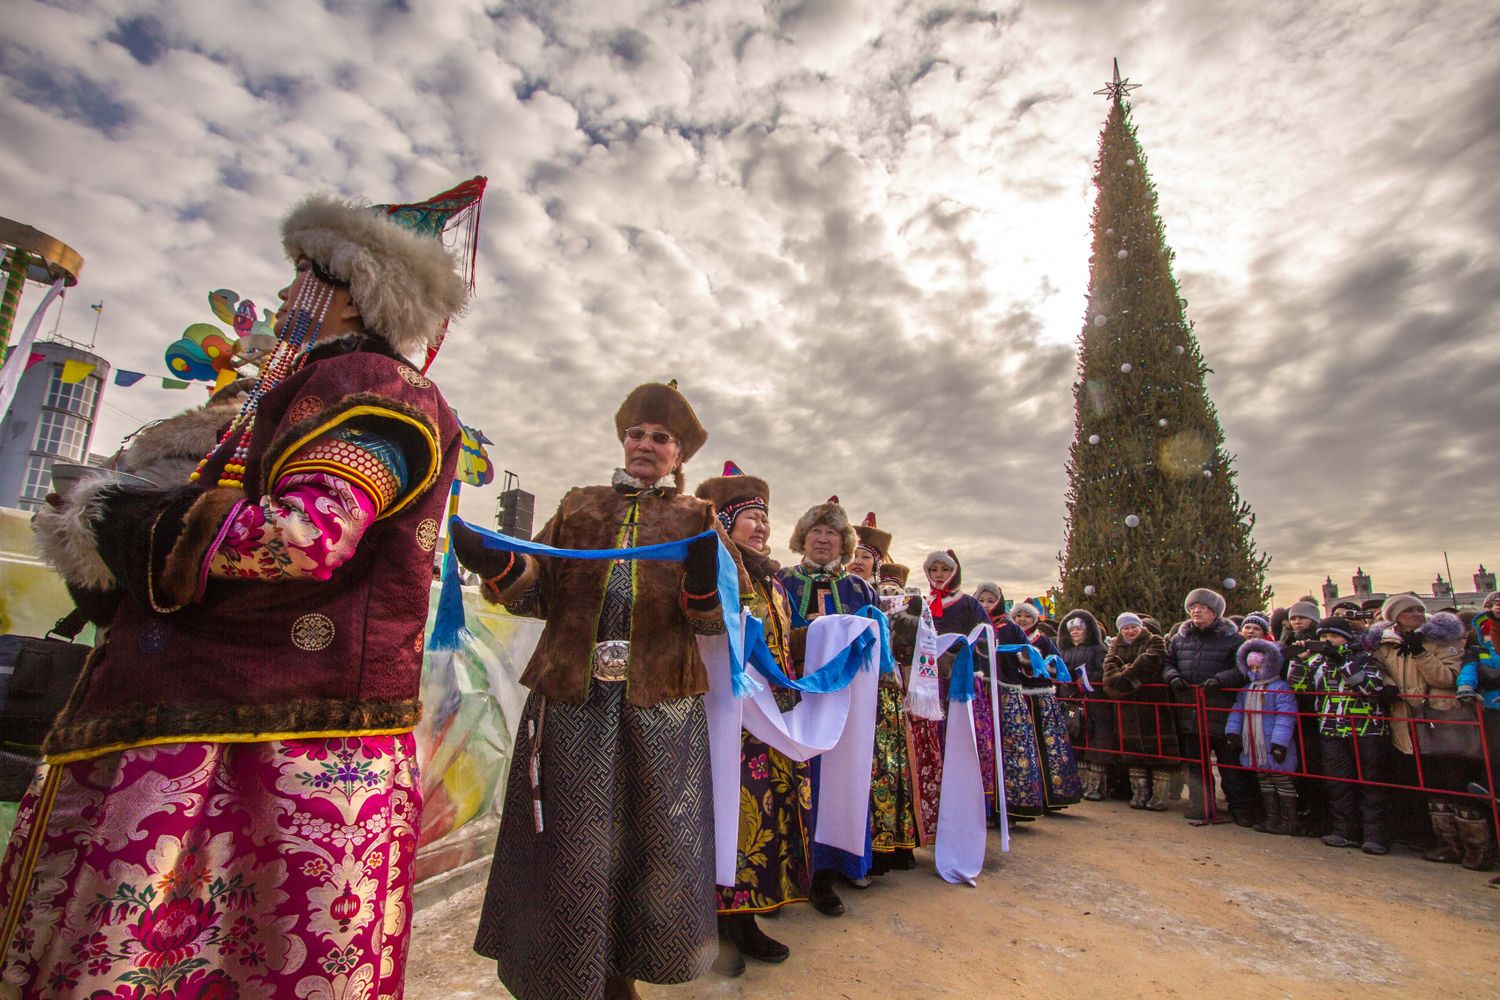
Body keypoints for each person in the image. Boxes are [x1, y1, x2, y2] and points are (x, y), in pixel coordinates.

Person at [6, 180, 478, 997]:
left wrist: (118, 514)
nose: (286, 293)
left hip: (264, 760)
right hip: (214, 729)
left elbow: (304, 536)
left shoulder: (373, 385)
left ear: (349, 295)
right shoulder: (283, 394)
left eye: (304, 273)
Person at [453, 380, 728, 1000]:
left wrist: (707, 588)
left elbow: (714, 626)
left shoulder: (697, 519)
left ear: (679, 455)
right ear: (623, 440)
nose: (646, 444)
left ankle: (622, 974)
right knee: (572, 844)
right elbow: (537, 593)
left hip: (659, 708)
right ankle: (567, 973)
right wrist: (495, 564)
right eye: (637, 433)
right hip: (571, 701)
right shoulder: (579, 506)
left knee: (650, 844)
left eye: (661, 438)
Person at [695, 462, 808, 970]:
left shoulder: (776, 583)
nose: (761, 527)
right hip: (725, 718)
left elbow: (785, 643)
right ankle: (715, 929)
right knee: (724, 818)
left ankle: (746, 921)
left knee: (760, 820)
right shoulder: (715, 569)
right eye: (750, 518)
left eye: (766, 518)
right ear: (724, 521)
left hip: (769, 723)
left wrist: (845, 632)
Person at [777, 497, 876, 915]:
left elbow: (872, 649)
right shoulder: (781, 580)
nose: (822, 539)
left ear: (843, 543)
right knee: (787, 780)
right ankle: (780, 877)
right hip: (792, 695)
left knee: (833, 782)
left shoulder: (858, 589)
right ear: (803, 536)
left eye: (831, 533)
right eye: (816, 531)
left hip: (842, 700)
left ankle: (824, 876)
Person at [1371, 597, 1480, 869]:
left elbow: (1446, 678)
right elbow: (1379, 669)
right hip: (1404, 717)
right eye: (1409, 610)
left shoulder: (1443, 638)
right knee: (1428, 783)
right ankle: (1445, 843)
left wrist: (1420, 652)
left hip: (1440, 716)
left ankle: (1476, 848)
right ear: (1396, 616)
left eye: (1420, 609)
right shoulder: (1384, 643)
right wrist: (1386, 684)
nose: (1417, 614)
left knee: (1454, 780)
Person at [846, 513, 919, 877]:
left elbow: (906, 648)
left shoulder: (891, 601)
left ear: (877, 563)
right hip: (846, 688)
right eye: (854, 553)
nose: (858, 561)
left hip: (881, 692)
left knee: (883, 765)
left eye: (866, 556)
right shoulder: (839, 590)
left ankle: (885, 845)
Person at [1288, 617, 1390, 855]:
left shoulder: (1364, 658)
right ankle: (1344, 830)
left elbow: (1370, 688)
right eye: (1323, 637)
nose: (1328, 642)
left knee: (1371, 781)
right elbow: (1299, 687)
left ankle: (1375, 835)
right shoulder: (1317, 662)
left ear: (1345, 637)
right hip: (1331, 727)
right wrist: (1298, 661)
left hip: (1366, 728)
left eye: (1333, 636)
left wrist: (1342, 662)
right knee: (1337, 782)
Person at [1163, 588, 1252, 825]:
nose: (1196, 611)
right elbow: (1168, 662)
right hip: (1190, 710)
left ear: (1215, 612)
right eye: (1192, 607)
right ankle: (1201, 804)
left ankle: (1240, 808)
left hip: (1220, 710)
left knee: (1229, 764)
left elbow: (1242, 669)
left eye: (1202, 607)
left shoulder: (1233, 639)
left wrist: (1221, 680)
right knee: (1195, 764)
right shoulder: (1180, 639)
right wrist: (1172, 677)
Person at [1009, 602, 1083, 811]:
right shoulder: (1009, 640)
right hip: (1018, 697)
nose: (1022, 620)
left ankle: (1052, 794)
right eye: (1018, 616)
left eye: (1026, 616)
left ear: (1035, 619)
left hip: (1041, 698)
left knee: (1046, 744)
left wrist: (1037, 663)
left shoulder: (1043, 640)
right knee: (1023, 746)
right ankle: (1028, 794)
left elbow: (1056, 664)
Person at [1102, 613, 1180, 810]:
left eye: (1133, 627)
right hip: (1128, 707)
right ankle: (1140, 793)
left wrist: (1124, 678)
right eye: (1125, 628)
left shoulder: (1155, 641)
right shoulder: (1115, 645)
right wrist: (1128, 679)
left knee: (1159, 752)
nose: (1130, 631)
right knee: (1132, 752)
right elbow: (1109, 671)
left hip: (1152, 703)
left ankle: (1159, 796)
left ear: (1140, 626)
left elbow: (1149, 663)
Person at [1225, 640, 1300, 835]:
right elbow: (1237, 711)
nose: (1256, 671)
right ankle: (1272, 818)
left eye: (1259, 667)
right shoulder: (1247, 689)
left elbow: (1286, 717)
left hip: (1273, 744)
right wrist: (1232, 732)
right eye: (1252, 667)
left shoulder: (1281, 688)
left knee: (1282, 780)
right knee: (1264, 780)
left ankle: (1289, 820)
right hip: (1253, 742)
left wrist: (1280, 743)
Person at [1058, 610, 1112, 801]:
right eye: (1071, 629)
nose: (1075, 632)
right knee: (1076, 744)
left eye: (1079, 628)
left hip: (1095, 704)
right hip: (1070, 703)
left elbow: (1105, 672)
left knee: (1096, 745)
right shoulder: (1063, 651)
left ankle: (1096, 787)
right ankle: (1077, 785)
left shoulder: (1099, 650)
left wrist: (1085, 676)